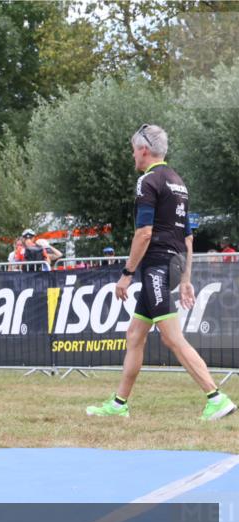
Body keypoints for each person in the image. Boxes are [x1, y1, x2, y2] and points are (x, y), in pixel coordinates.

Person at [87, 124, 235, 421]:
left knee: (172, 337)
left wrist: (127, 273)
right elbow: (188, 238)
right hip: (172, 262)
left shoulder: (148, 181)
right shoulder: (178, 182)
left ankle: (216, 397)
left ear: (144, 150)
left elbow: (143, 233)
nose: (132, 156)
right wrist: (185, 279)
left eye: (133, 150)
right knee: (134, 334)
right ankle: (119, 404)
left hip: (156, 265)